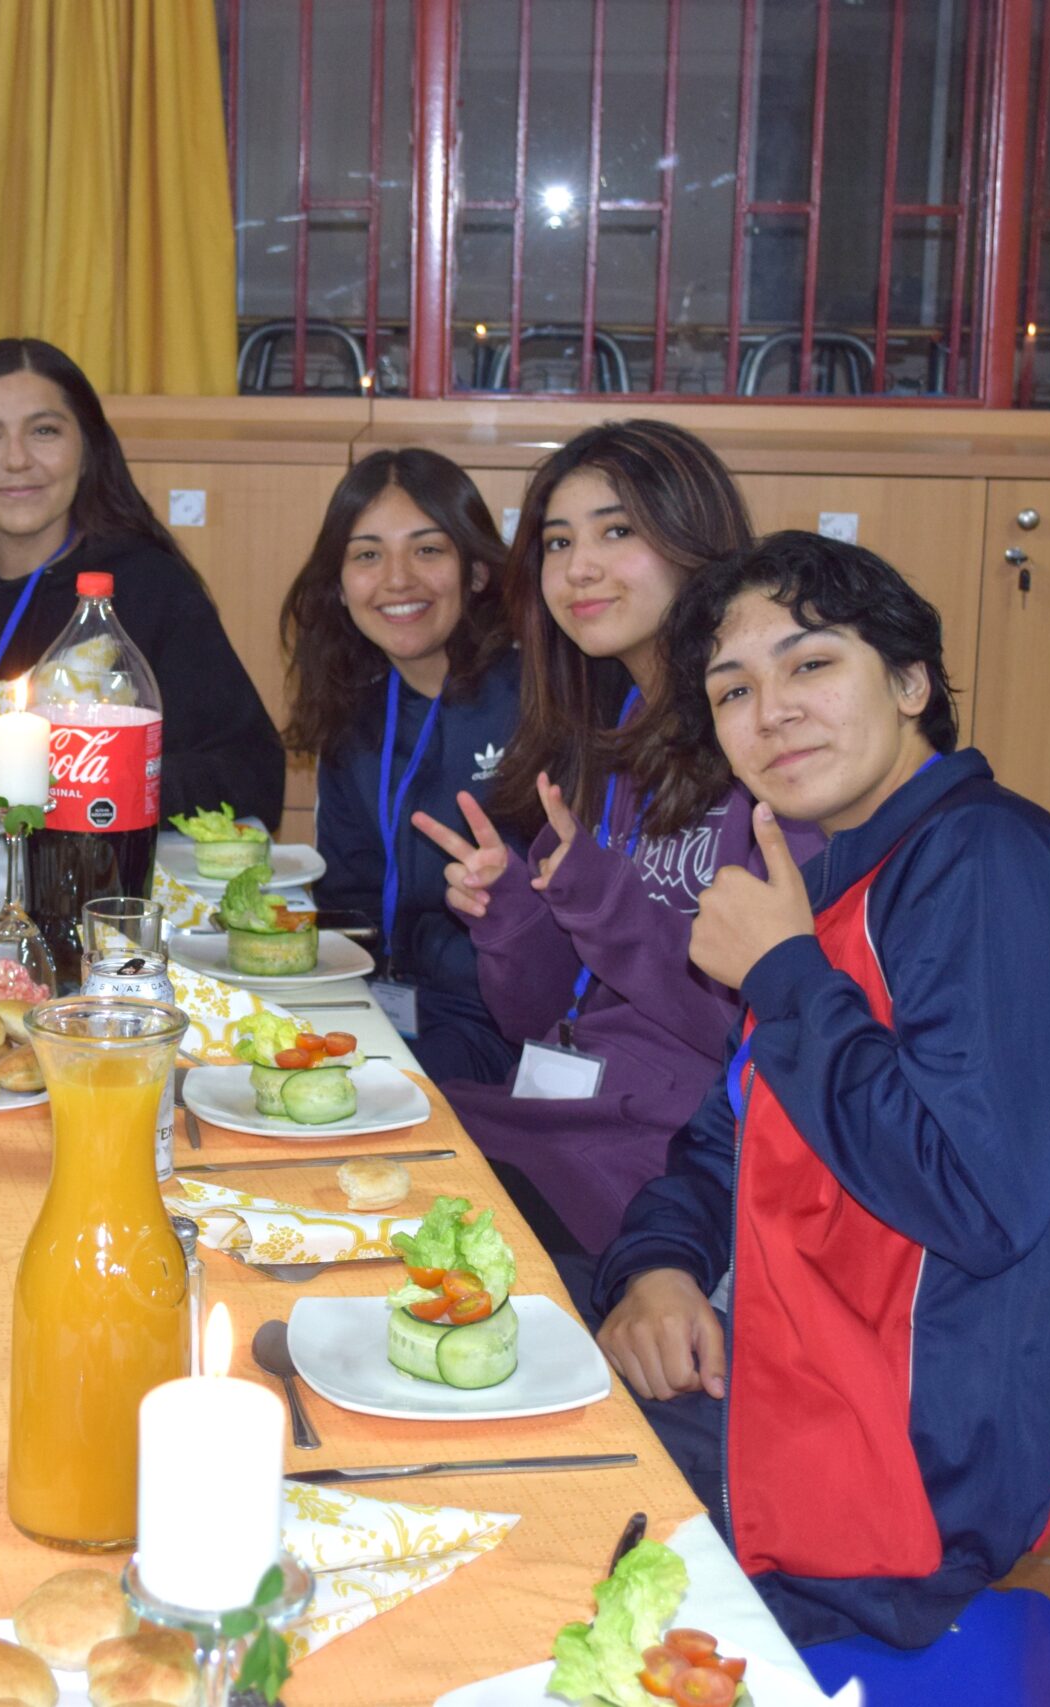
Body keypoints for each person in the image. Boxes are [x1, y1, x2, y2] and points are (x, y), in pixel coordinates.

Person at [593, 531, 1050, 1649]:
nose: (771, 712)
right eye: (733, 690)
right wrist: (658, 1268)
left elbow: (975, 1200)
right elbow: (727, 1137)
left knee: (510, 1483)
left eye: (810, 665)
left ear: (909, 685)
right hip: (794, 1348)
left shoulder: (989, 866)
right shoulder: (846, 873)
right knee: (495, 1343)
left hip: (901, 1463)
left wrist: (784, 976)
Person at [410, 421, 819, 1288]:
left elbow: (767, 1037)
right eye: (559, 542)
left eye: (617, 531)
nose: (579, 568)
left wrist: (603, 899)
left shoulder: (776, 748)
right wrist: (513, 912)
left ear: (694, 539)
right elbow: (533, 1016)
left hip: (668, 1171)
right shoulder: (607, 736)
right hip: (557, 1116)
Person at [0, 337, 285, 825]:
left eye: (44, 431)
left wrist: (101, 777)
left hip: (88, 867)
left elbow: (253, 777)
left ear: (87, 450)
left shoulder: (149, 589)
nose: (16, 460)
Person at [281, 448, 522, 1084]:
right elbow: (349, 897)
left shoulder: (534, 701)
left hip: (499, 1028)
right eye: (367, 555)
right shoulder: (355, 708)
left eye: (428, 550)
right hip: (381, 1006)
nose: (396, 580)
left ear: (476, 571)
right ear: (339, 584)